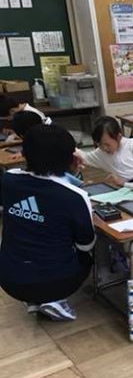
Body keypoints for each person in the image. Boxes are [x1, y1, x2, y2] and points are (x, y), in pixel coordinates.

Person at [0, 125, 95, 321]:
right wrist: (73, 175)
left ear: (24, 153)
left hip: (9, 278)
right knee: (88, 253)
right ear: (71, 158)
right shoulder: (75, 196)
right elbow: (86, 244)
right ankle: (54, 300)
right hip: (57, 282)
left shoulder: (8, 179)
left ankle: (35, 299)